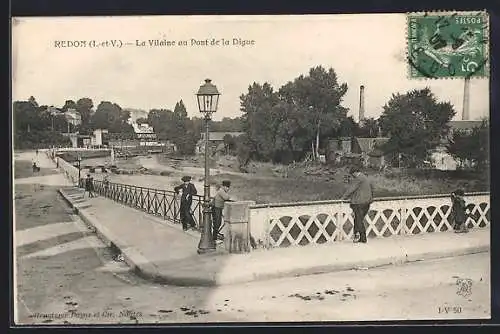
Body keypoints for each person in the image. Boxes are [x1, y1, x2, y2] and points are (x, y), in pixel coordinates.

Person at [341, 166, 374, 243]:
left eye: (352, 174)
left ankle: (362, 238)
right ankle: (357, 236)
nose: (352, 176)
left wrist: (343, 198)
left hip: (360, 203)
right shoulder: (365, 178)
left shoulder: (358, 179)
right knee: (359, 220)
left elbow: (351, 189)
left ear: (355, 172)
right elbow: (372, 189)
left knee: (358, 220)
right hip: (367, 202)